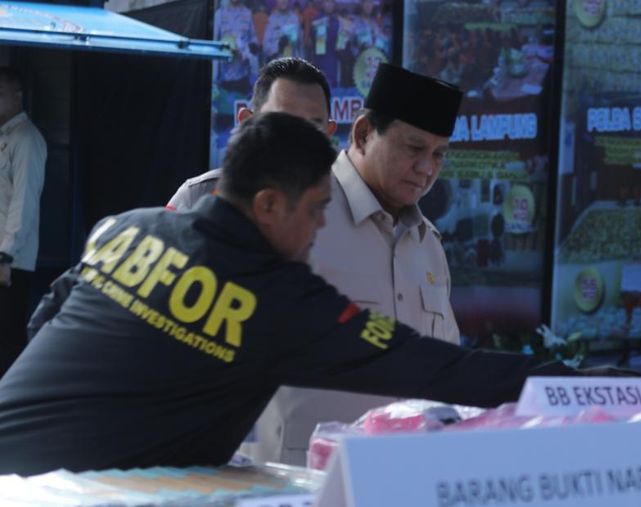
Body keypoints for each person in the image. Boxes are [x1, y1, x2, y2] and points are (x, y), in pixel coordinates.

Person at [0, 113, 578, 477]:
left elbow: (44, 318)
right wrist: (596, 386)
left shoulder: (131, 227)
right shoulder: (275, 301)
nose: (320, 228)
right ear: (269, 205)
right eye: (316, 210)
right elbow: (441, 369)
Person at [251, 63, 466, 464]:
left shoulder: (429, 244)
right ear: (364, 134)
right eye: (414, 148)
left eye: (439, 154)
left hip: (406, 476)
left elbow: (444, 369)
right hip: (301, 482)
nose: (427, 169)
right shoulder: (292, 213)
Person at [168, 57, 336, 211]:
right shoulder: (196, 198)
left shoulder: (344, 208)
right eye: (282, 123)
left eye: (313, 127)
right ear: (247, 122)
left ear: (328, 134)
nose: (299, 140)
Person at [0, 67, 47, 377]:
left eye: (1, 94)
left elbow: (24, 202)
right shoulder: (6, 136)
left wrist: (6, 254)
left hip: (10, 261)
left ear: (18, 97)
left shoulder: (27, 139)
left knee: (6, 338)